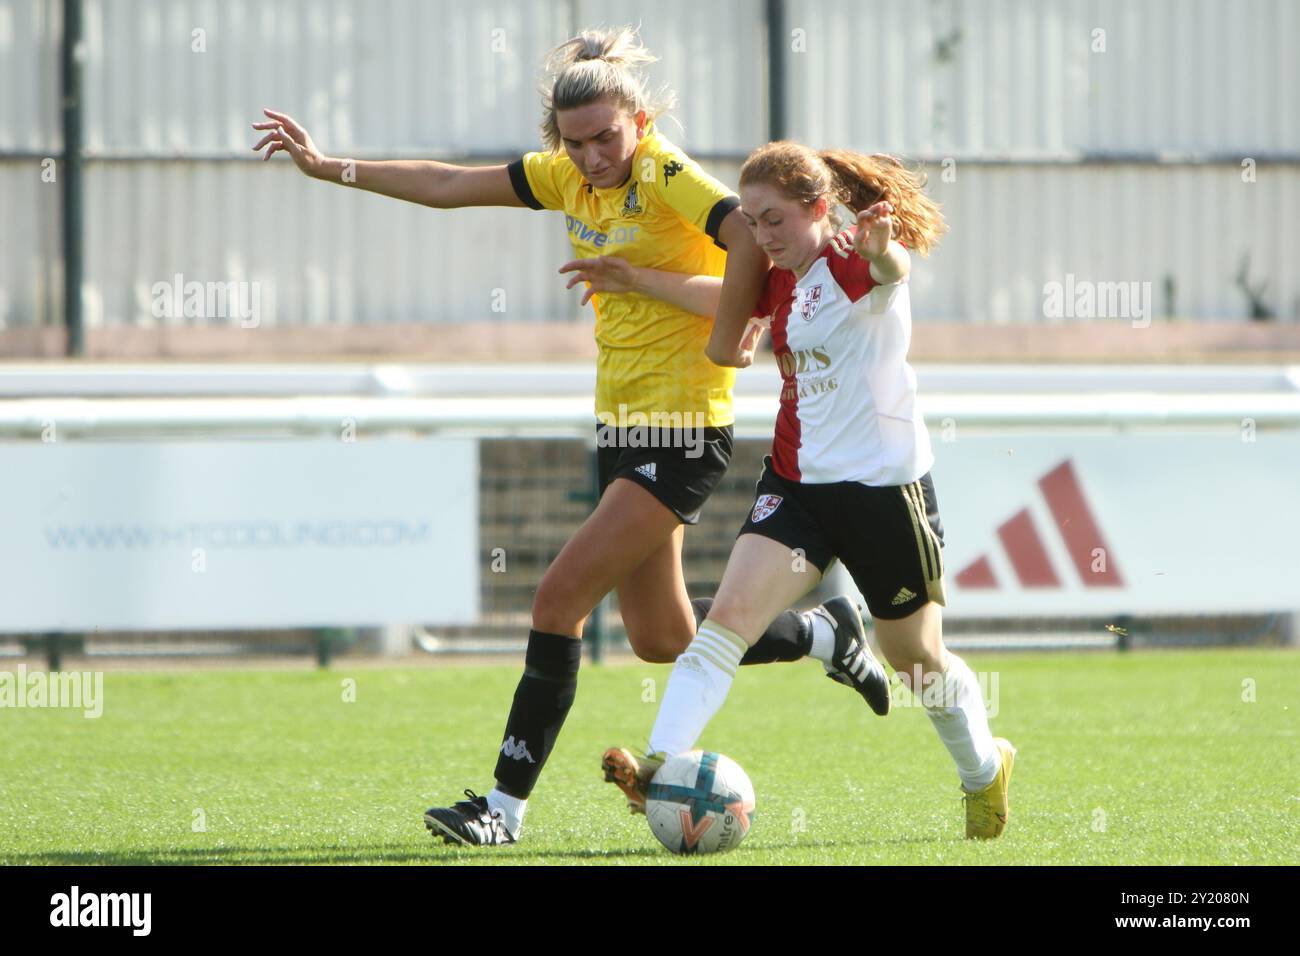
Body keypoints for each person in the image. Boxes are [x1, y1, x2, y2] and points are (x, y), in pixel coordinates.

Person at [251, 27, 890, 848]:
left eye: (606, 139)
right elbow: (447, 184)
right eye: (575, 142)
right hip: (621, 426)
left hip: (685, 430)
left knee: (557, 600)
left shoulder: (666, 175)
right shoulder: (564, 178)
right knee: (664, 639)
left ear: (640, 121)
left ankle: (501, 810)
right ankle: (822, 633)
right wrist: (327, 165)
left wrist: (697, 315)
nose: (591, 158)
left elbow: (748, 250)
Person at [602, 142, 1017, 839]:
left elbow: (892, 268)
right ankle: (659, 763)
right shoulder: (778, 275)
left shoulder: (854, 258)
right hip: (797, 486)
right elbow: (727, 299)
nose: (762, 237)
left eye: (774, 221)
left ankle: (983, 772)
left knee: (913, 659)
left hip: (885, 489)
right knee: (724, 624)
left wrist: (885, 248)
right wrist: (636, 278)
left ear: (819, 209)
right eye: (753, 223)